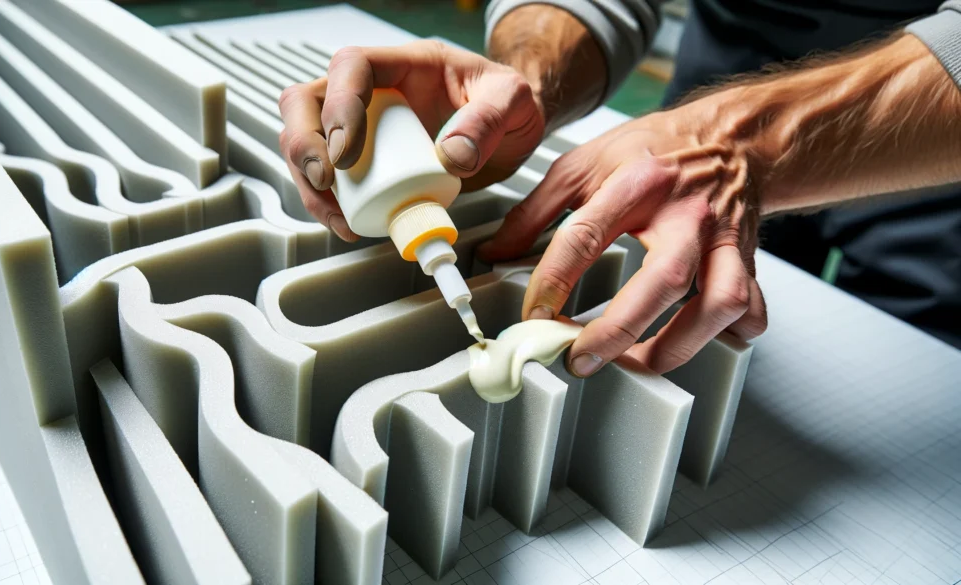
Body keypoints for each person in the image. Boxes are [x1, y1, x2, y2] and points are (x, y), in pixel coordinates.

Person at [277, 1, 961, 378]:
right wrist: (516, 85)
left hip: (936, 124)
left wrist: (740, 141)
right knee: (703, 294)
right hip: (732, 59)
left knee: (899, 360)